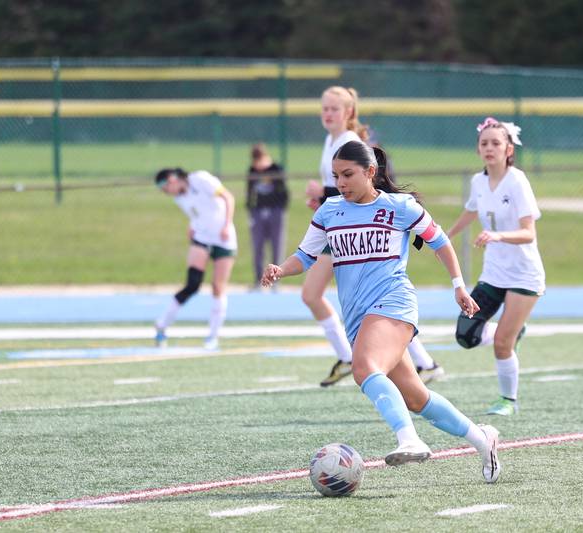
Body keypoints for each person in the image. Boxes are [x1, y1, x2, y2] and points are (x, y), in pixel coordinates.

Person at [262, 140, 501, 482]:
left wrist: (458, 285)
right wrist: (281, 269)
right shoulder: (329, 211)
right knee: (417, 398)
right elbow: (305, 256)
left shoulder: (399, 207)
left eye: (348, 174)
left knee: (364, 367)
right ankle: (483, 440)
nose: (341, 182)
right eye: (336, 176)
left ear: (371, 172)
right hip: (358, 316)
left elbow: (440, 242)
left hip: (394, 302)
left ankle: (410, 439)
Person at [307, 86, 442, 387]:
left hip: (359, 228)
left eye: (334, 109)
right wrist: (321, 200)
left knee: (363, 303)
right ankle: (422, 362)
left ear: (349, 112)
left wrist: (323, 193)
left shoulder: (349, 141)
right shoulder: (333, 140)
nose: (328, 114)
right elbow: (342, 192)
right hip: (342, 226)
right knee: (326, 297)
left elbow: (365, 187)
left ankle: (356, 357)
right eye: (324, 108)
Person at [447, 117, 546, 416]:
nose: (489, 148)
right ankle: (513, 330)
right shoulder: (479, 182)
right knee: (465, 335)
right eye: (484, 143)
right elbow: (470, 211)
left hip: (523, 275)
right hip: (494, 273)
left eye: (496, 143)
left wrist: (498, 235)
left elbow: (529, 232)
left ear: (508, 149)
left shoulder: (517, 181)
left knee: (502, 343)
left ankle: (508, 401)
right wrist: (443, 236)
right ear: (478, 149)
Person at [154, 167, 237, 350]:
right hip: (202, 238)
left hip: (224, 238)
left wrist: (226, 225)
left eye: (166, 188)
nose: (167, 193)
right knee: (192, 284)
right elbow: (198, 213)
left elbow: (228, 198)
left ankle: (213, 336)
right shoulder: (179, 198)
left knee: (218, 287)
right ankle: (161, 325)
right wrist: (192, 225)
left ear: (172, 179)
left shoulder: (200, 179)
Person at [246, 143, 288, 286]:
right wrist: (251, 210)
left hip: (275, 211)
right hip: (258, 212)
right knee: (257, 246)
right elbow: (249, 193)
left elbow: (284, 192)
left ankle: (275, 280)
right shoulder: (252, 170)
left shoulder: (276, 169)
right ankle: (258, 280)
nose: (258, 166)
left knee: (277, 246)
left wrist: (280, 209)